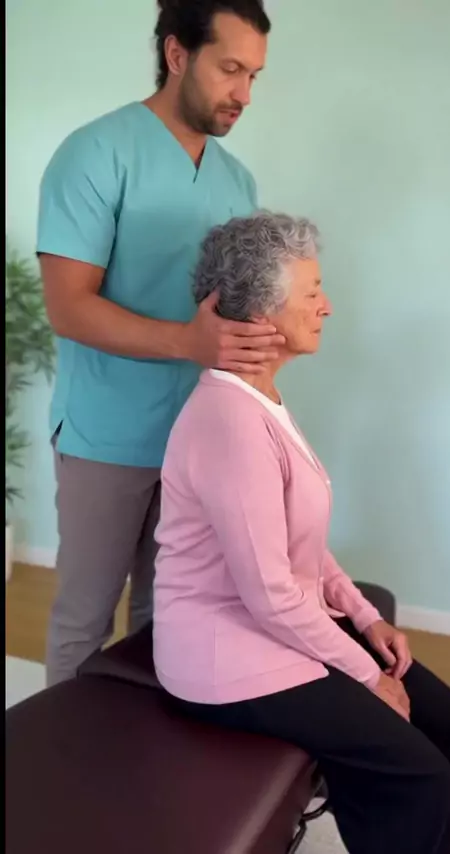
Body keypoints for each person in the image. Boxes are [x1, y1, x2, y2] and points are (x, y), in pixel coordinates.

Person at [153, 211, 450, 854]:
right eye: (313, 292)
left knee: (443, 716)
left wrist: (363, 617)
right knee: (417, 774)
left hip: (269, 620)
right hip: (222, 655)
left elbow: (300, 540)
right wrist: (366, 675)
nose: (328, 306)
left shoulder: (262, 399)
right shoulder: (230, 421)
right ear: (262, 315)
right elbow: (269, 593)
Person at [36, 0, 279, 686]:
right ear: (177, 55)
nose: (244, 94)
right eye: (230, 69)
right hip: (105, 437)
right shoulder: (94, 155)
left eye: (254, 75)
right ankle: (65, 753)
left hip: (199, 440)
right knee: (84, 622)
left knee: (169, 619)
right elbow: (67, 306)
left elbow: (232, 316)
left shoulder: (238, 183)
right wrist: (190, 343)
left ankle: (145, 753)